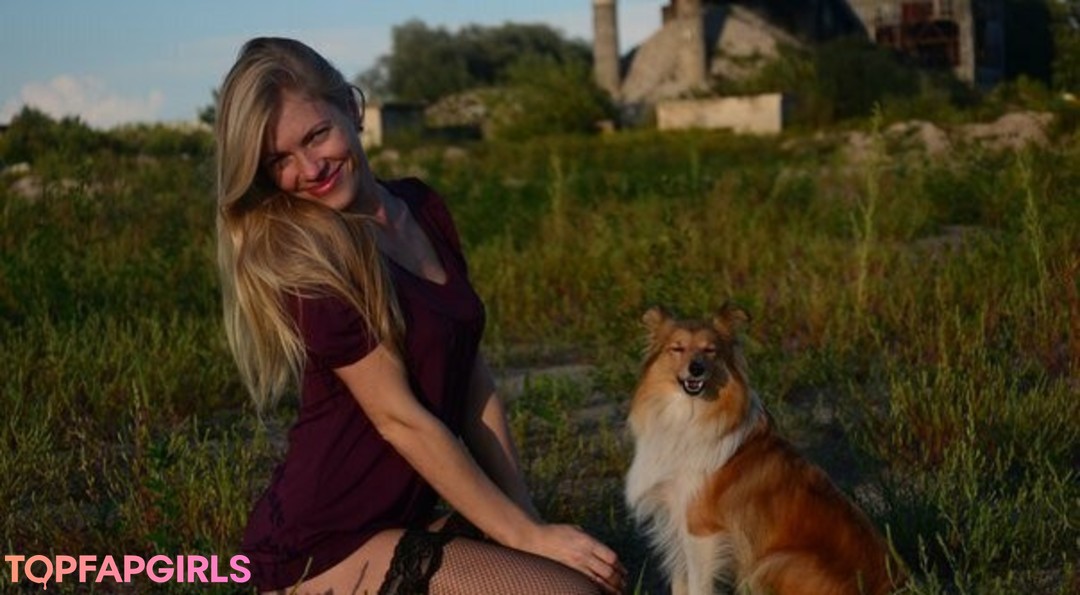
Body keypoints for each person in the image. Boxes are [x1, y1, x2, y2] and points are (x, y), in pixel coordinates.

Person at [214, 37, 626, 595]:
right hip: (322, 546)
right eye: (279, 161)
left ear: (351, 108)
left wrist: (529, 521)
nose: (310, 169)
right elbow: (400, 420)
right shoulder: (312, 259)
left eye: (316, 135)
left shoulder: (421, 207)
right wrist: (523, 536)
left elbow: (471, 376)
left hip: (398, 520)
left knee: (588, 575)